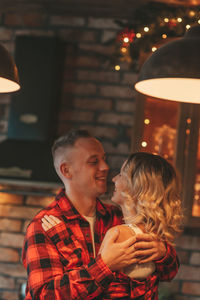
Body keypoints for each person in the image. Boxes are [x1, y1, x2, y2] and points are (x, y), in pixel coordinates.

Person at [22, 129, 180, 299]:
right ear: (66, 171)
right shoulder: (43, 226)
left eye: (104, 159)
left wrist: (163, 253)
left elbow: (169, 273)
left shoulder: (119, 217)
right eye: (93, 162)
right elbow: (44, 295)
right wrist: (104, 265)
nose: (105, 167)